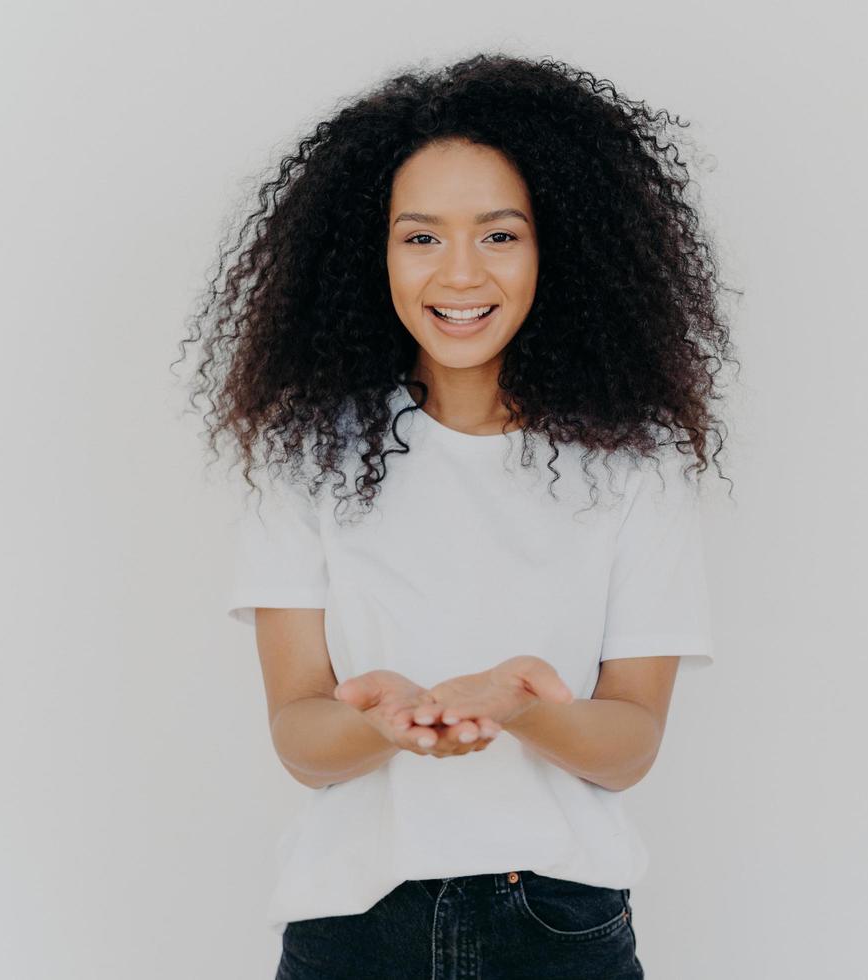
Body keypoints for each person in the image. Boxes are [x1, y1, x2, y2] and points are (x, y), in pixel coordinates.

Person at [180, 51, 737, 980]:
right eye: (422, 236)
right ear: (374, 250)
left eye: (501, 234)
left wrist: (521, 705)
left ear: (560, 247)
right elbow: (302, 742)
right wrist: (382, 724)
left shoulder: (636, 465)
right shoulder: (303, 454)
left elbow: (629, 745)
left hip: (560, 928)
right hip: (354, 928)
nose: (461, 273)